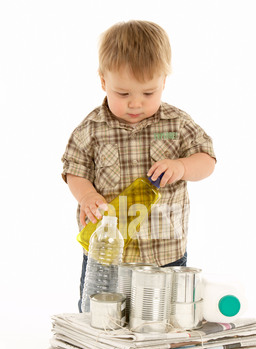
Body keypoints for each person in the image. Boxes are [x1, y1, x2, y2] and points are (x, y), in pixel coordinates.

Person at [61, 20, 216, 312]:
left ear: (163, 83)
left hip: (164, 251)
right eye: (123, 93)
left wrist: (182, 167)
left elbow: (207, 161)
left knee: (164, 317)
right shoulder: (91, 129)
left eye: (148, 93)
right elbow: (75, 170)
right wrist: (87, 196)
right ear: (103, 81)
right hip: (107, 254)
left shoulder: (176, 123)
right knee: (101, 315)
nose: (136, 104)